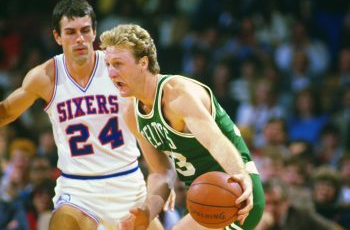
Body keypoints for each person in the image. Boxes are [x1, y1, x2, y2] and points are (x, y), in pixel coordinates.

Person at [0, 0, 174, 230]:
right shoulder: (45, 77)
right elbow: (7, 111)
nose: (79, 39)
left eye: (85, 30)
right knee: (62, 223)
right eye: (70, 32)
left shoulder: (118, 67)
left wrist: (162, 179)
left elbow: (153, 115)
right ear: (57, 37)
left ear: (94, 33)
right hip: (78, 187)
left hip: (127, 180)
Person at [101, 24, 265, 230]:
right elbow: (161, 172)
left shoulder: (177, 94)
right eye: (107, 64)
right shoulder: (129, 111)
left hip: (232, 191)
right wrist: (148, 211)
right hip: (202, 199)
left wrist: (241, 176)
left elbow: (217, 142)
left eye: (118, 64)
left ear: (143, 63)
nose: (111, 73)